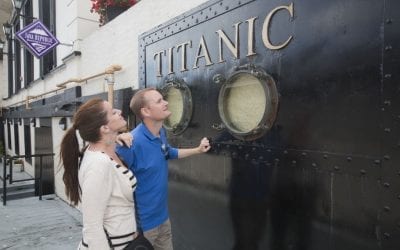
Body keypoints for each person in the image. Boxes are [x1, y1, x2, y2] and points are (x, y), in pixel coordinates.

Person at [116, 88, 211, 250]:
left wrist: (198, 150)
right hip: (142, 228)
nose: (166, 103)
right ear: (146, 111)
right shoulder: (131, 143)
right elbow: (115, 184)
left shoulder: (161, 133)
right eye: (159, 101)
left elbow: (168, 152)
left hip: (162, 219)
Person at [60, 98, 138, 250]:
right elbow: (92, 226)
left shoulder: (104, 152)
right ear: (104, 128)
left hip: (124, 241)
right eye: (113, 112)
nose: (119, 111)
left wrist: (118, 137)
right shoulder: (99, 164)